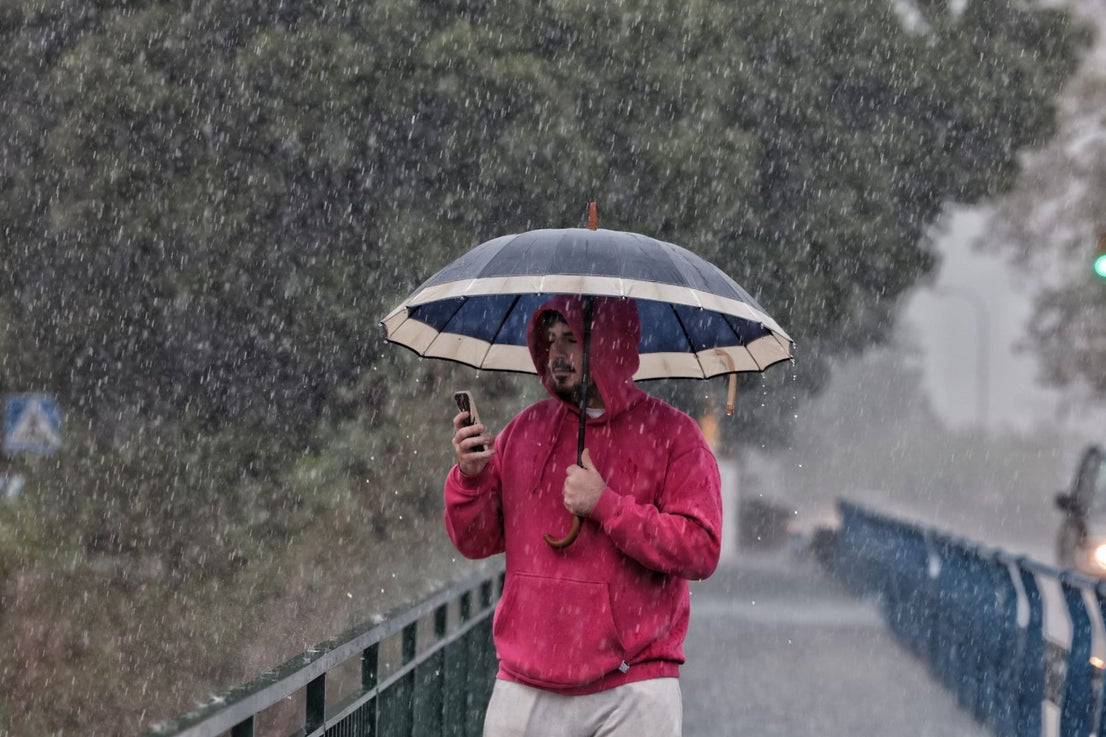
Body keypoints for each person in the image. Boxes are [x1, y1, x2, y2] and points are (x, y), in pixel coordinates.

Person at [444, 294, 723, 737]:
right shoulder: (523, 431)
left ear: (611, 344)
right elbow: (475, 540)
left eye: (572, 339)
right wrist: (471, 478)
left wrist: (606, 505)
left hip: (634, 690)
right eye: (550, 339)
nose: (556, 353)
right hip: (525, 685)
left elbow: (700, 548)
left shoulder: (675, 436)